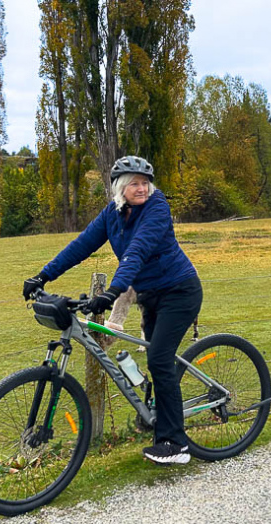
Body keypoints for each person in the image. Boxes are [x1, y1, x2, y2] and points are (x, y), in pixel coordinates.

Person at [23, 155, 202, 465]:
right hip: (150, 295)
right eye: (134, 183)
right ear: (120, 187)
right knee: (155, 356)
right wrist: (43, 275)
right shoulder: (113, 214)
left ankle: (175, 442)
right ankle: (158, 416)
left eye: (145, 182)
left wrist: (112, 293)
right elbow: (80, 246)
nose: (142, 188)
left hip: (179, 292)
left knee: (159, 358)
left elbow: (138, 251)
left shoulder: (157, 207)